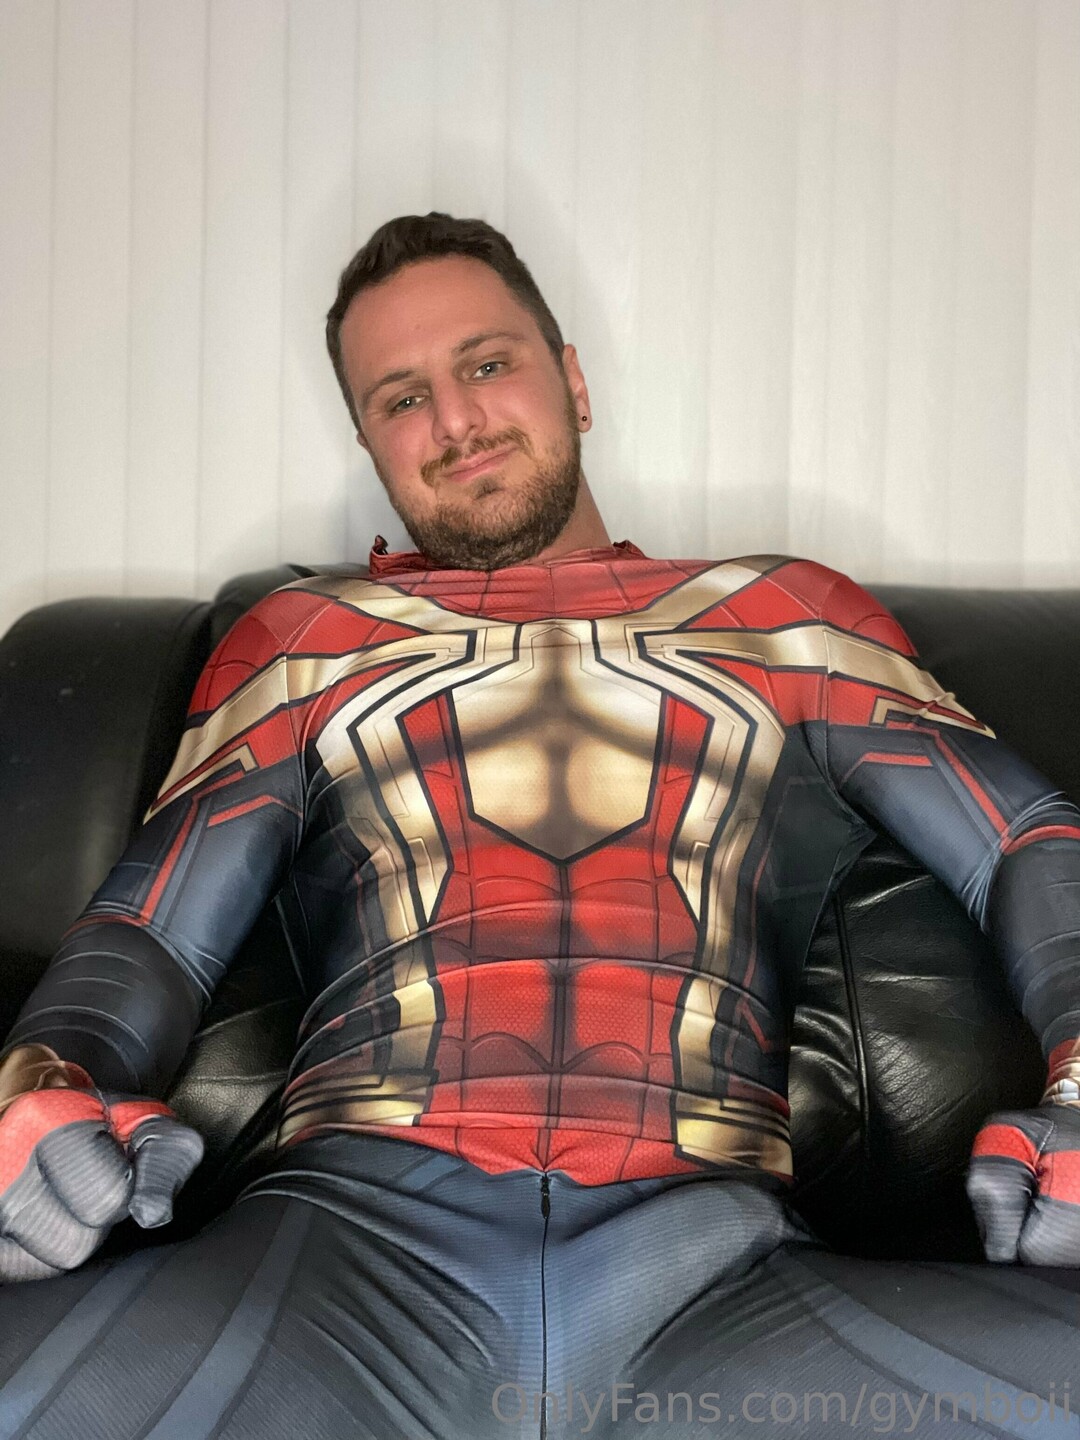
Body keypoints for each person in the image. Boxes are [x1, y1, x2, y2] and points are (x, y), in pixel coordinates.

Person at [1, 213, 1079, 1440]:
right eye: (402, 397)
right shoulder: (302, 638)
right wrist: (43, 1084)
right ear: (369, 440)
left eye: (487, 362)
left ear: (572, 378)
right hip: (336, 1267)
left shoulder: (786, 615)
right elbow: (148, 932)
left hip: (720, 1280)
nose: (456, 420)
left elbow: (1026, 841)